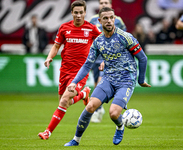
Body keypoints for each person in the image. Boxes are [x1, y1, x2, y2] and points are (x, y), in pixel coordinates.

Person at [64, 7, 151, 146]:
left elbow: (143, 58)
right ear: (100, 21)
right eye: (105, 18)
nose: (109, 21)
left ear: (114, 19)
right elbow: (87, 65)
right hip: (108, 79)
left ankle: (120, 126)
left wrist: (140, 81)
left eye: (111, 17)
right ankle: (76, 140)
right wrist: (74, 82)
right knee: (90, 106)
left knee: (113, 114)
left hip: (126, 81)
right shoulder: (98, 41)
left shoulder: (125, 37)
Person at [38, 0, 101, 140]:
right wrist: (49, 57)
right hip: (65, 70)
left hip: (80, 72)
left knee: (64, 100)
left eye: (81, 12)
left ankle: (47, 132)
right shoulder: (64, 28)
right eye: (76, 13)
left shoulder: (91, 29)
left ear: (85, 13)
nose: (78, 15)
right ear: (72, 13)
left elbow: (104, 43)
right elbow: (56, 46)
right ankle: (84, 94)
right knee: (64, 101)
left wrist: (104, 60)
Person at [89, 0, 127, 123]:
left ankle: (98, 109)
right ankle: (100, 108)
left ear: (111, 5)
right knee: (96, 84)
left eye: (106, 2)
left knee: (100, 82)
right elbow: (89, 39)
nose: (104, 4)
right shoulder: (93, 20)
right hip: (96, 58)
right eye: (101, 2)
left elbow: (125, 37)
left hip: (110, 59)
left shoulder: (118, 21)